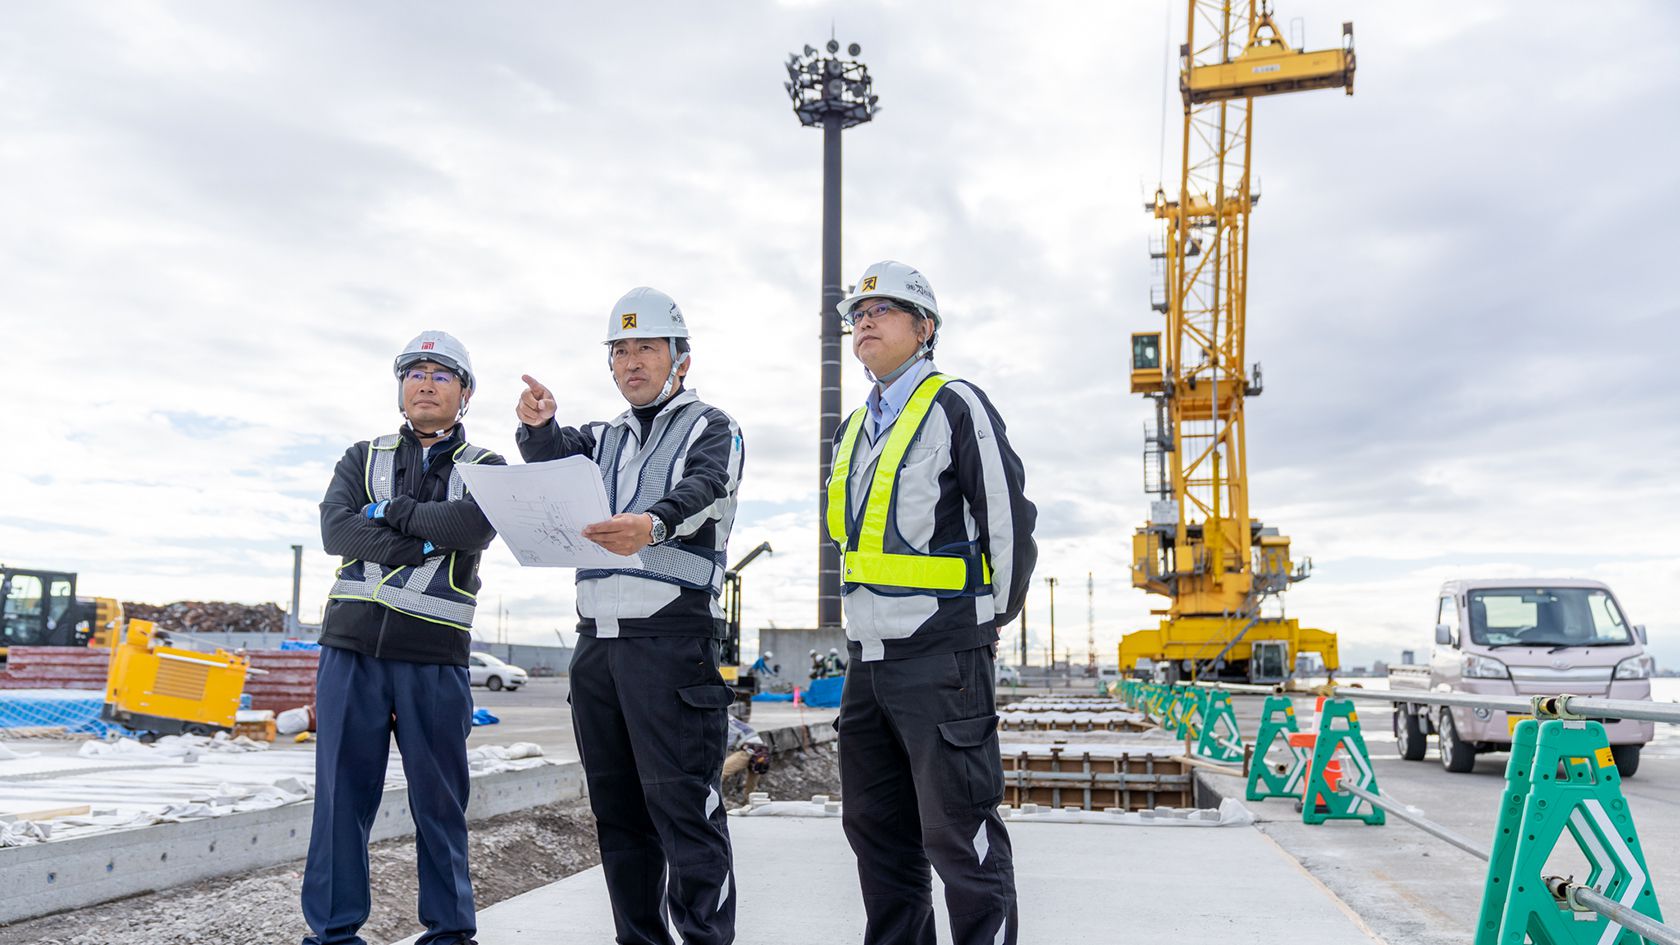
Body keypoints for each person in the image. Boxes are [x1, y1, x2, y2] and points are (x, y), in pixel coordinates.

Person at [516, 287, 745, 945]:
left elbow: (707, 487)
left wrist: (654, 523)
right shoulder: (602, 437)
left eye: (647, 346)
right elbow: (553, 458)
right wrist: (536, 427)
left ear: (681, 358)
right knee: (617, 814)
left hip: (669, 644)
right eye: (620, 349)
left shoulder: (711, 426)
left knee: (685, 811)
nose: (631, 360)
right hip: (598, 652)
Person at [825, 261, 1037, 945]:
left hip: (942, 656)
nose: (865, 320)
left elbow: (1008, 523)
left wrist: (978, 626)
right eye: (858, 312)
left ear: (925, 328)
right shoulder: (853, 428)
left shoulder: (956, 405)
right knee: (878, 836)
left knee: (960, 833)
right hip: (870, 663)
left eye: (883, 309)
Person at [304, 331, 504, 945]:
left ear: (464, 393)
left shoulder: (489, 470)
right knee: (340, 800)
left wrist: (386, 514)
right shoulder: (361, 456)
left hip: (433, 655)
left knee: (440, 804)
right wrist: (420, 537)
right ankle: (334, 934)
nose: (425, 381)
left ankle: (449, 934)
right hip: (351, 650)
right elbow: (337, 532)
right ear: (400, 387)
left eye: (441, 374)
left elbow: (472, 525)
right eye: (414, 371)